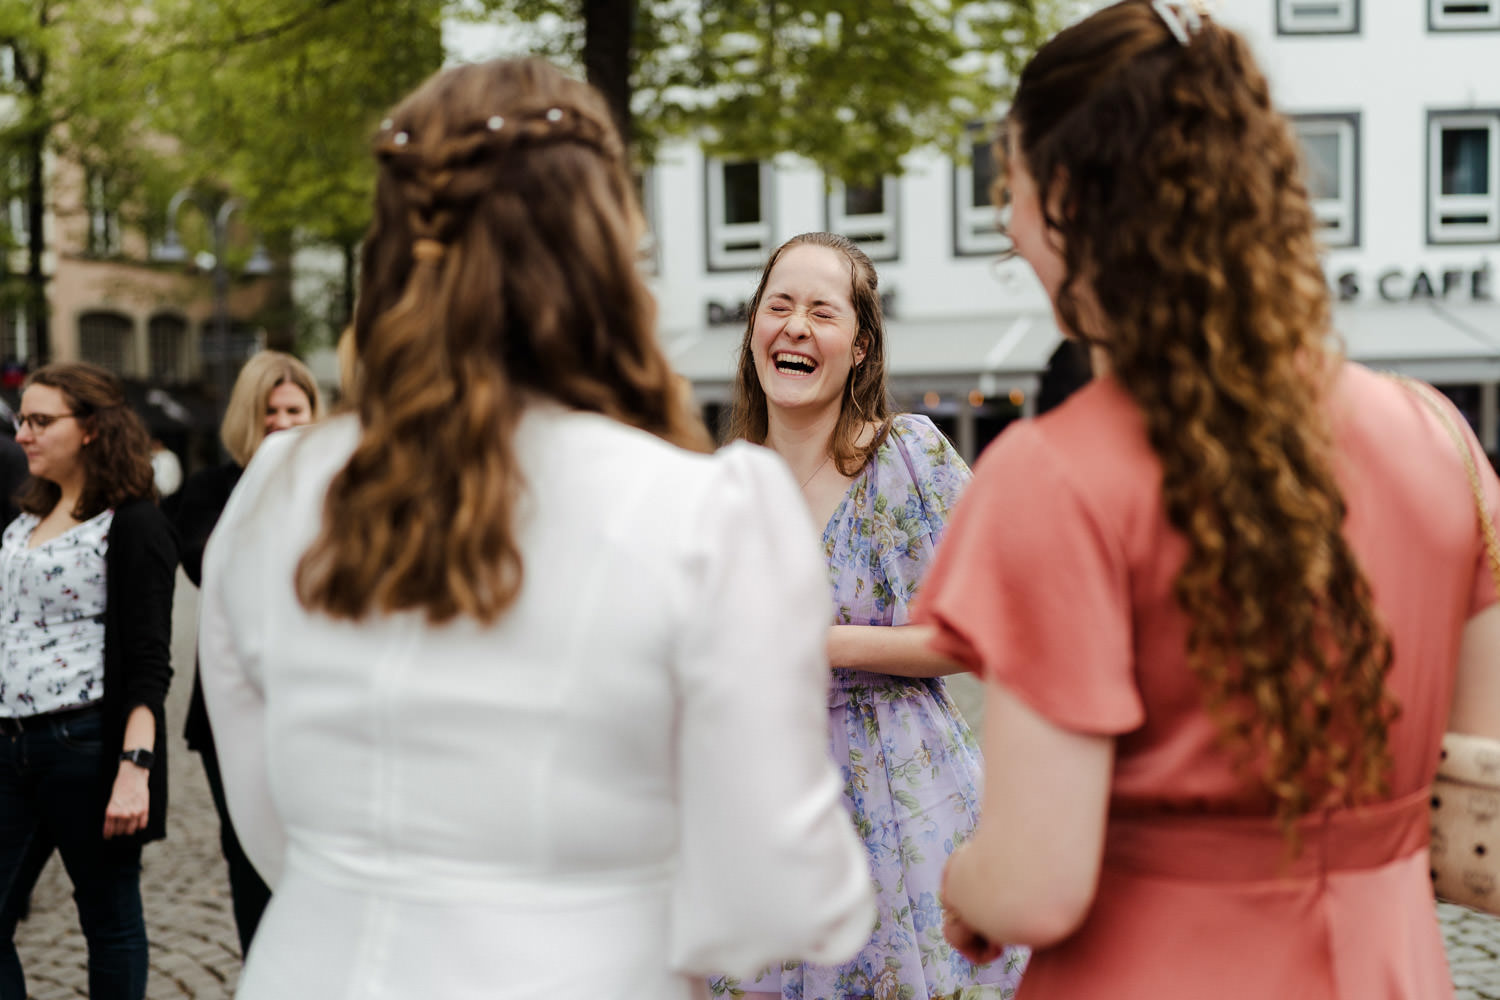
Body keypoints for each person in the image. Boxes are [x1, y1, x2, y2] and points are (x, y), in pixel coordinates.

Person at [197, 57, 875, 1000]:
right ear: (602, 252)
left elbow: (264, 816)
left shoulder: (277, 485)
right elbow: (776, 900)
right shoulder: (706, 512)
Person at [916, 3, 1500, 997]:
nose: (1007, 224)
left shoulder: (1052, 475)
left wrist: (966, 879)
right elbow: (1474, 772)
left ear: (1066, 194)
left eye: (1007, 186)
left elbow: (1036, 886)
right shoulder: (1438, 438)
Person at [709, 231, 1026, 1000]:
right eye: (778, 306)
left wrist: (822, 644)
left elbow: (990, 629)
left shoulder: (907, 455)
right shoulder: (719, 488)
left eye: (822, 312)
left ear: (859, 348)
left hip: (906, 800)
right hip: (762, 810)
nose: (794, 326)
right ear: (754, 327)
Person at [0, 362, 176, 1000]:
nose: (24, 434)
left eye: (42, 421)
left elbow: (150, 662)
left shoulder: (133, 524)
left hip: (84, 745)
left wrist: (136, 768)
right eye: (23, 419)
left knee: (108, 923)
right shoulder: (26, 517)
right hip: (9, 745)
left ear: (93, 429)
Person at [173, 350, 323, 956]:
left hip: (315, 702)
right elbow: (210, 568)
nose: (285, 423)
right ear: (246, 418)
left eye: (297, 409)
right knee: (247, 853)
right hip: (232, 708)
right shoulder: (210, 491)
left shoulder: (340, 484)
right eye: (271, 413)